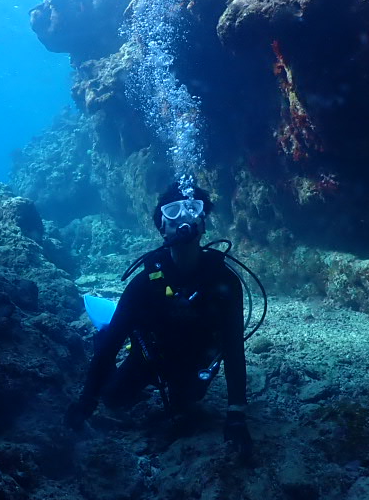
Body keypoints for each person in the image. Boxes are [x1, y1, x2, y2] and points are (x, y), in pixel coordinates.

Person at [66, 185, 252, 454]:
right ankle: (103, 327)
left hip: (194, 361)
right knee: (113, 399)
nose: (183, 219)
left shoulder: (225, 282)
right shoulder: (144, 284)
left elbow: (234, 347)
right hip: (149, 357)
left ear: (202, 223)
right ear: (162, 228)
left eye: (192, 209)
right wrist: (87, 399)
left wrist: (236, 413)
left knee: (187, 404)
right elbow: (112, 346)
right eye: (172, 212)